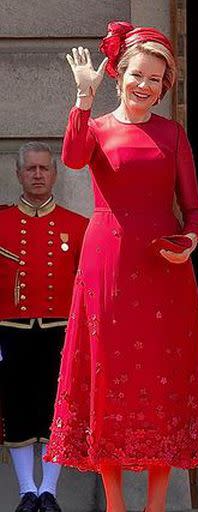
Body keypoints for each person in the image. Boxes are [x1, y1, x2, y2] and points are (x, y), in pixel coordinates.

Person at [44, 22, 198, 512]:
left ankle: (157, 504)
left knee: (164, 379)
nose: (145, 86)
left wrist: (189, 241)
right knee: (106, 375)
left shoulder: (173, 133)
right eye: (138, 75)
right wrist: (83, 98)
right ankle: (117, 504)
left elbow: (196, 210)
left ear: (165, 87)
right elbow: (73, 159)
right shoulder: (96, 127)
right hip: (107, 263)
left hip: (165, 268)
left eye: (156, 80)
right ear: (119, 74)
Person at [0, 142, 88, 512]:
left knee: (56, 410)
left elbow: (87, 286)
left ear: (54, 174)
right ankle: (26, 492)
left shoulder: (77, 225)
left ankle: (48, 492)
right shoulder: (2, 222)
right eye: (31, 169)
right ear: (18, 174)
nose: (37, 175)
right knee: (17, 410)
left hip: (60, 331)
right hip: (11, 330)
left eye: (44, 169)